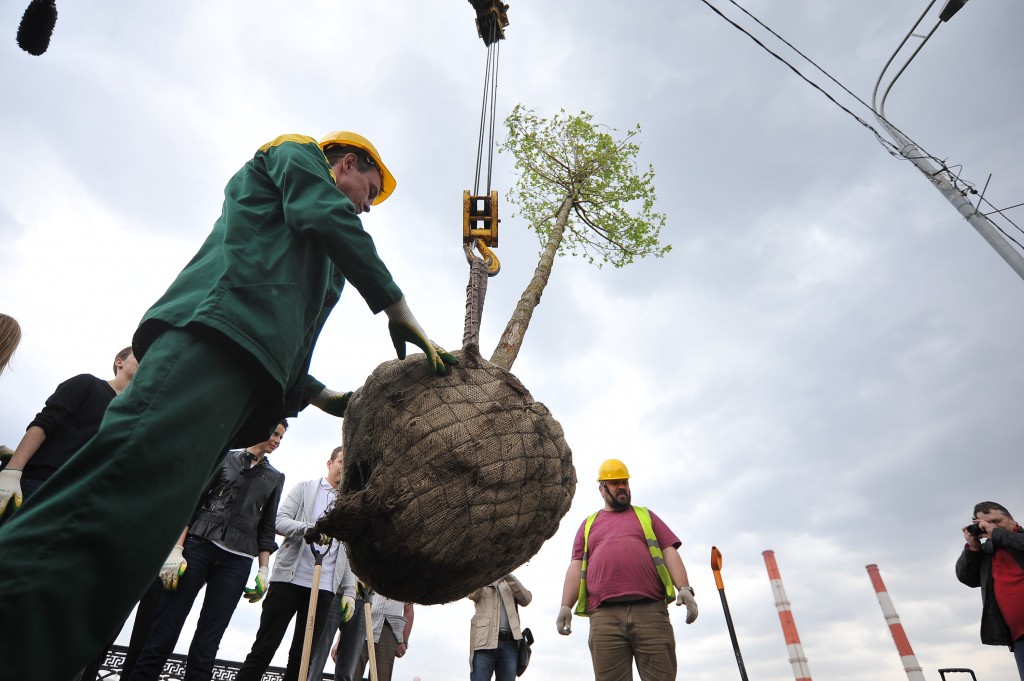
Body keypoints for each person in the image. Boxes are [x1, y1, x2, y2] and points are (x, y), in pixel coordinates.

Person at [0, 131, 456, 681]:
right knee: (113, 493)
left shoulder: (326, 255)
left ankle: (46, 660)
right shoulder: (295, 155)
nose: (365, 206)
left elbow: (291, 333)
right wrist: (393, 302)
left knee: (139, 536)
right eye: (369, 189)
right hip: (208, 343)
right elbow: (314, 223)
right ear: (346, 163)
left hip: (243, 383)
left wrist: (318, 394)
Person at [127, 422, 288, 681]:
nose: (278, 440)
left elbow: (267, 527)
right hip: (198, 546)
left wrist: (263, 569)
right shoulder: (225, 457)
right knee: (164, 630)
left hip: (237, 561)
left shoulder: (275, 478)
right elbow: (195, 502)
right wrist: (177, 549)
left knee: (208, 641)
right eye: (275, 433)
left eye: (282, 436)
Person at [556, 458, 698, 681]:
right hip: (604, 616)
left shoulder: (646, 516)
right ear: (602, 489)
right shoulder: (588, 525)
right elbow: (575, 566)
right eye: (614, 483)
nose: (621, 486)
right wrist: (566, 605)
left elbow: (668, 550)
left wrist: (684, 588)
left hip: (650, 611)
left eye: (624, 482)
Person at [235, 446, 356, 681]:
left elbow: (350, 549)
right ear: (329, 463)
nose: (344, 468)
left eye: (349, 464)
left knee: (302, 657)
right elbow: (279, 521)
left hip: (323, 588)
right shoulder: (305, 489)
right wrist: (309, 530)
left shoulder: (350, 505)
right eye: (342, 461)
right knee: (264, 647)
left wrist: (349, 591)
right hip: (289, 580)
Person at [0, 345, 137, 521]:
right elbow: (44, 423)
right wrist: (13, 469)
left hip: (76, 500)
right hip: (36, 483)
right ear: (120, 361)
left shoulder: (133, 416)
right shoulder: (88, 384)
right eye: (140, 354)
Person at [956, 500, 1024, 680]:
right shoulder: (988, 552)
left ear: (1012, 519)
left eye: (997, 521)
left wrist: (996, 533)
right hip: (1019, 637)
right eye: (985, 524)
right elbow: (967, 578)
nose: (991, 527)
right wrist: (973, 548)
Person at [467, 574, 532, 681]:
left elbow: (526, 599)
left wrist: (508, 575)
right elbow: (472, 594)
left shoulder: (508, 581)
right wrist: (483, 574)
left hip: (510, 644)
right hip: (484, 643)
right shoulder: (481, 580)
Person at [344, 592, 414, 681]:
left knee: (382, 676)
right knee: (352, 671)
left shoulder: (406, 585)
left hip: (389, 631)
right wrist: (340, 640)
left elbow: (409, 611)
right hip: (365, 624)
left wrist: (404, 641)